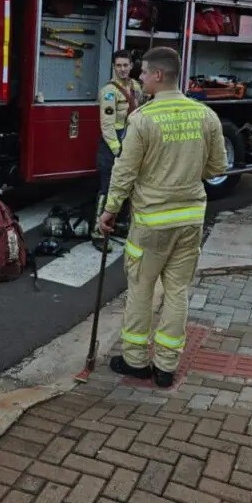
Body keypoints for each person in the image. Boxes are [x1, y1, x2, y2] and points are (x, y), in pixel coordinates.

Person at [98, 47, 227, 388]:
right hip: (191, 221)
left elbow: (124, 173)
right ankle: (166, 366)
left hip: (153, 222)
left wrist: (109, 211)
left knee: (141, 289)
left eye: (143, 72)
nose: (139, 77)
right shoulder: (205, 115)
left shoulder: (143, 119)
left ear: (157, 76)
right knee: (177, 291)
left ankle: (136, 361)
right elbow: (218, 168)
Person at [92, 50, 143, 250]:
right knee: (108, 189)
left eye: (125, 65)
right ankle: (98, 232)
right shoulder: (109, 92)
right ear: (114, 67)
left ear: (131, 66)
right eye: (119, 65)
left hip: (131, 141)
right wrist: (117, 151)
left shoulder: (136, 87)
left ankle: (119, 224)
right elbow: (107, 125)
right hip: (112, 146)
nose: (122, 69)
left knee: (128, 187)